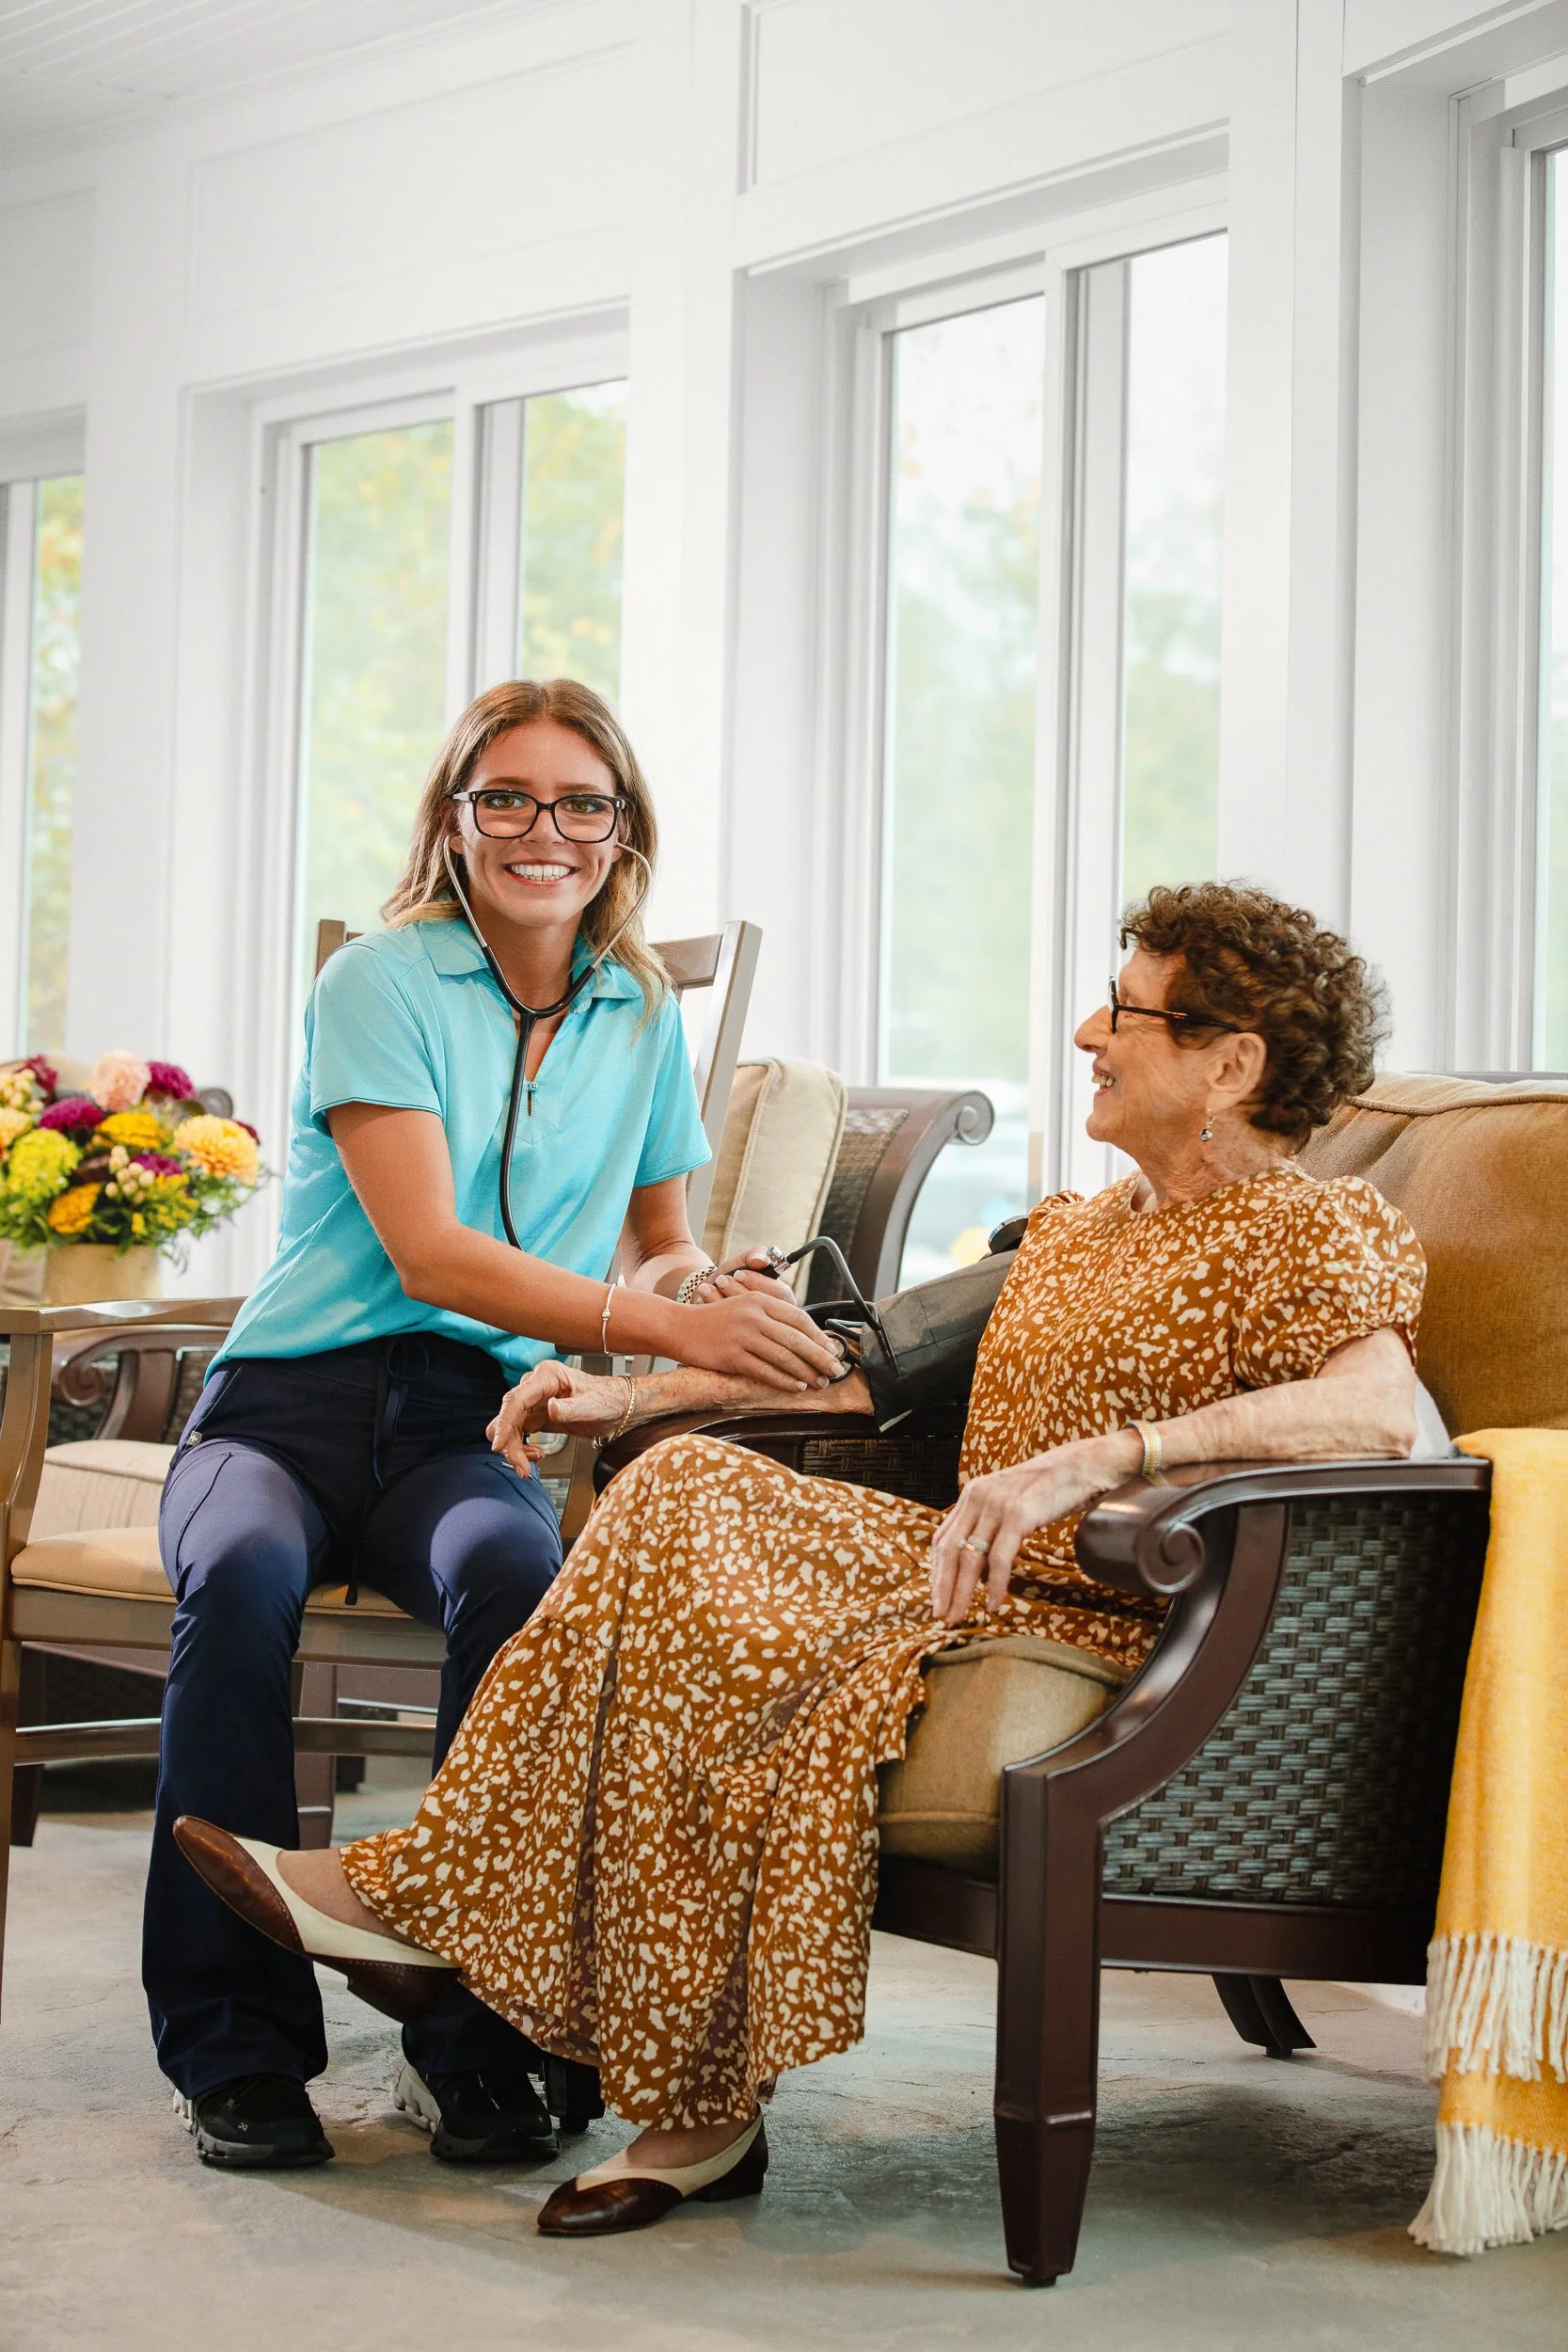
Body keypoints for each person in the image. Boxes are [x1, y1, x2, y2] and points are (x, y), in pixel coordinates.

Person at [172, 882, 1426, 2233]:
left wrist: (1103, 1456)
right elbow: (859, 1383)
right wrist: (630, 1399)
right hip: (956, 1558)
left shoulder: (1318, 1229)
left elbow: (1374, 1409)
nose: (1083, 1031)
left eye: (1124, 1012)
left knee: (709, 1596)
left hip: (1122, 1596)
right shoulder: (1074, 1228)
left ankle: (470, 1938)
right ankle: (558, 2003)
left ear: (1230, 1063)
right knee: (685, 1492)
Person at [147, 676, 839, 2171]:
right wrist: (672, 1328)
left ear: (622, 829)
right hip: (285, 1405)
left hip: (473, 1423)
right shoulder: (380, 980)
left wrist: (701, 1283)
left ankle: (476, 2042)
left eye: (581, 802)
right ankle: (235, 2049)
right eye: (507, 799)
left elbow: (651, 1241)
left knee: (520, 1588)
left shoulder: (638, 1007)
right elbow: (432, 1256)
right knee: (243, 1577)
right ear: (453, 823)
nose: (546, 831)